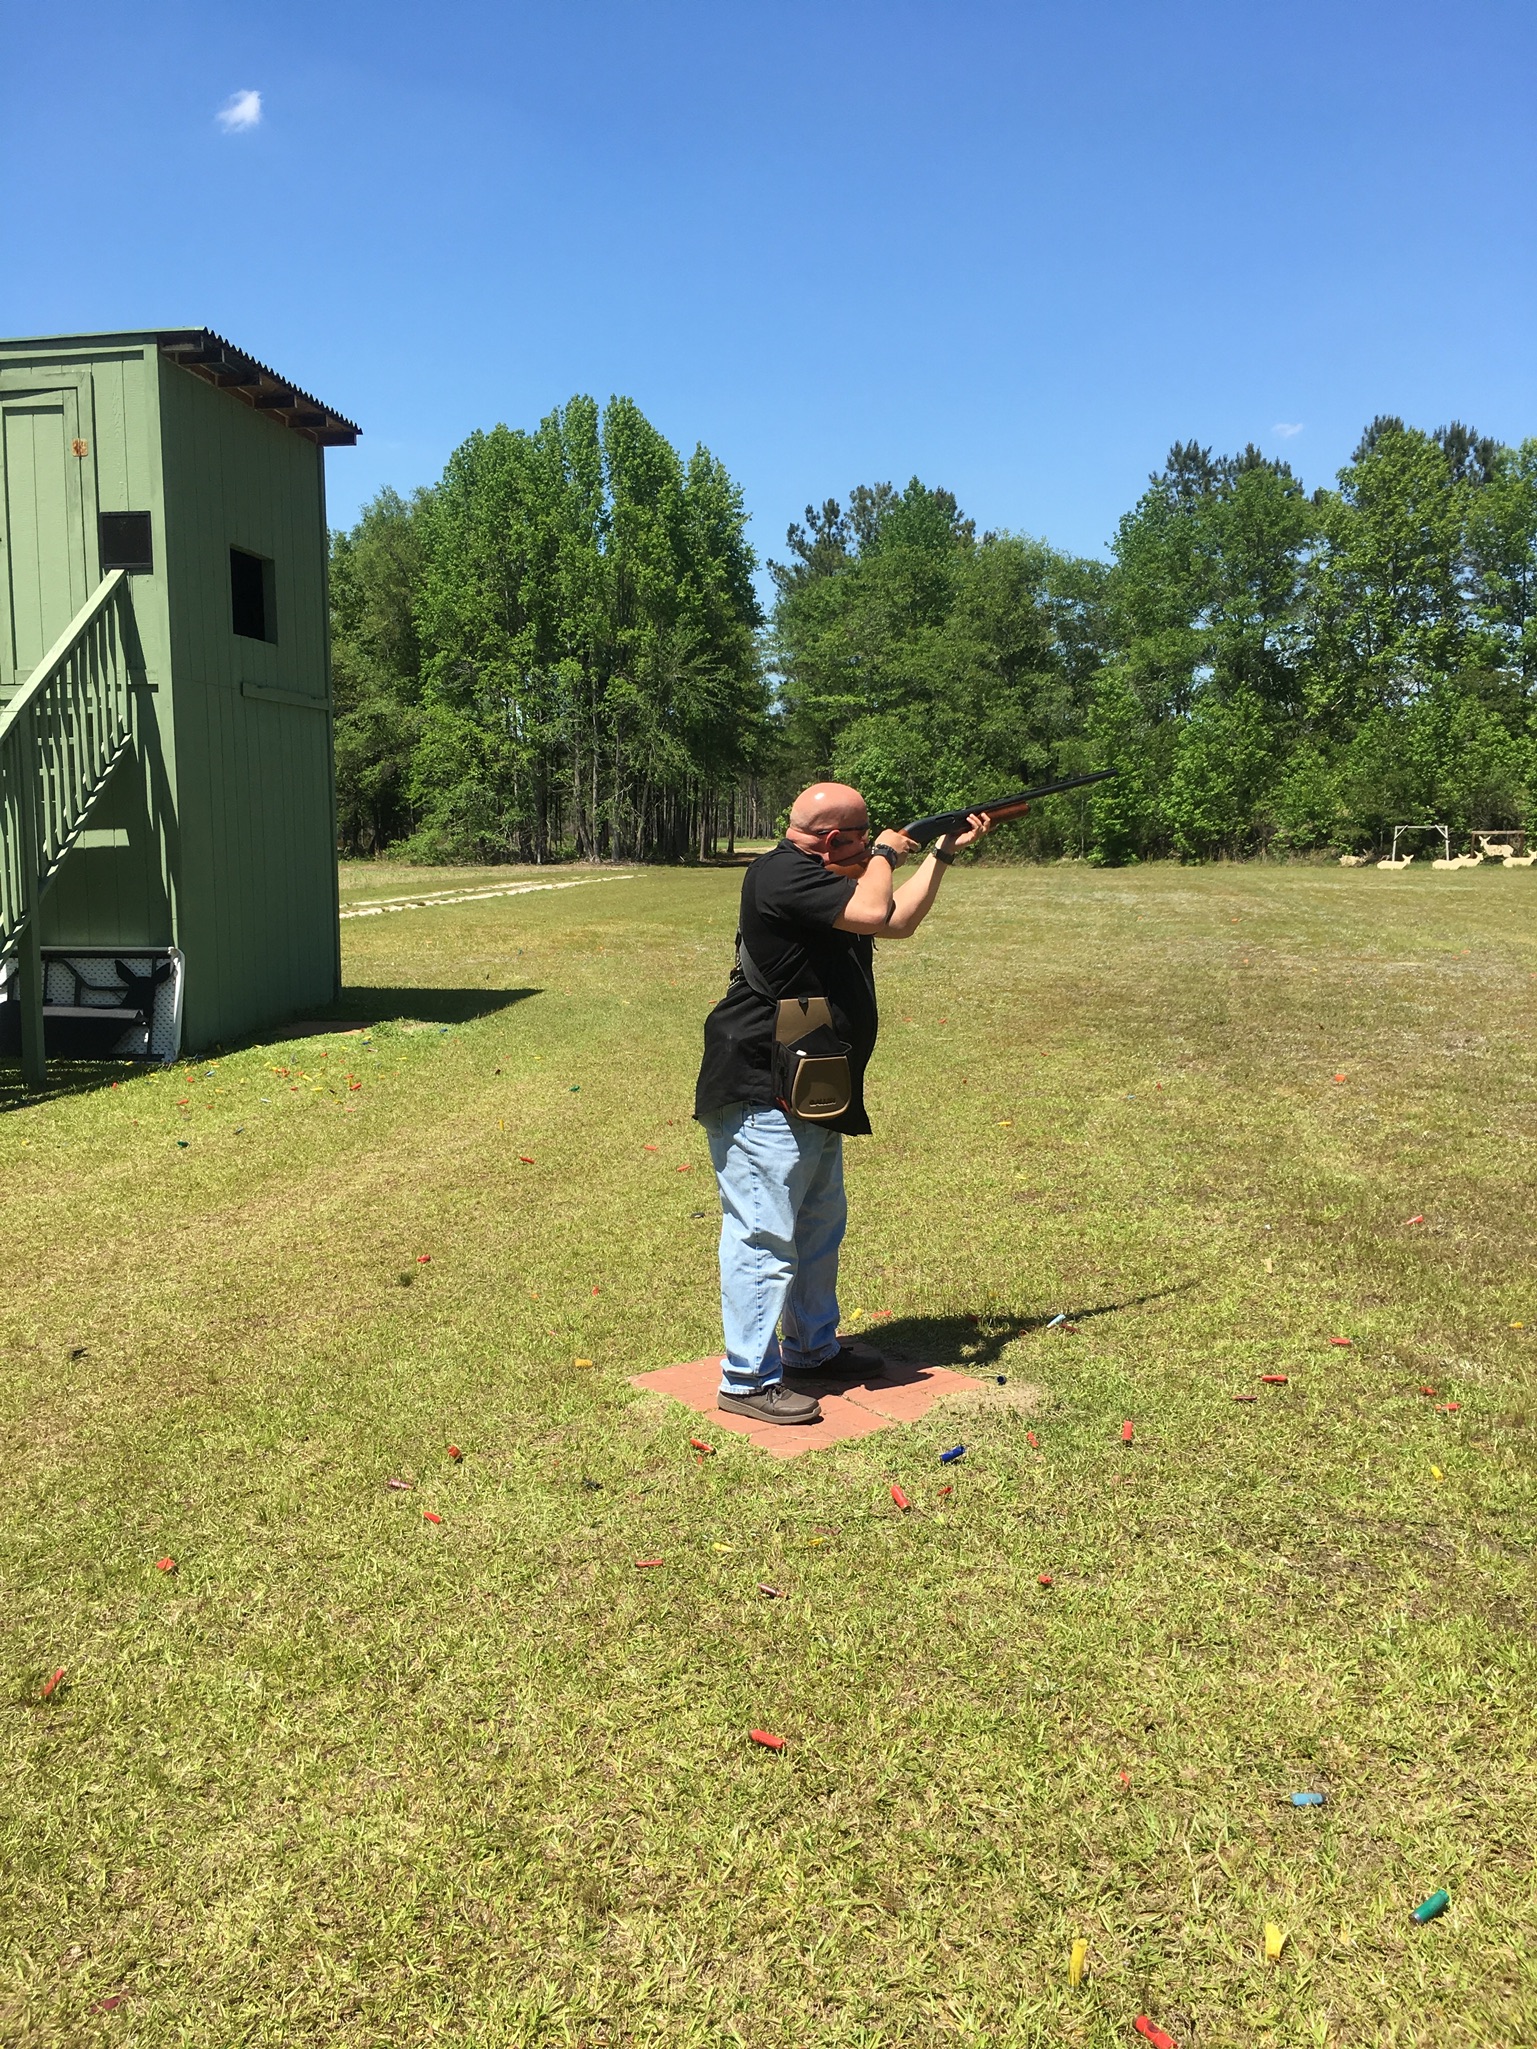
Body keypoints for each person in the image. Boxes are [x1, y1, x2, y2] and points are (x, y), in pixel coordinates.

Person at [694, 782, 992, 1423]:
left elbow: (898, 921)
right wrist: (886, 853)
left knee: (819, 1223)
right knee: (763, 1233)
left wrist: (940, 852)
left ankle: (811, 1349)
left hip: (811, 1069)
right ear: (834, 840)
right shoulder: (782, 874)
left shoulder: (828, 874)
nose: (869, 845)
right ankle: (747, 1378)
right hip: (758, 1076)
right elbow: (870, 912)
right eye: (859, 836)